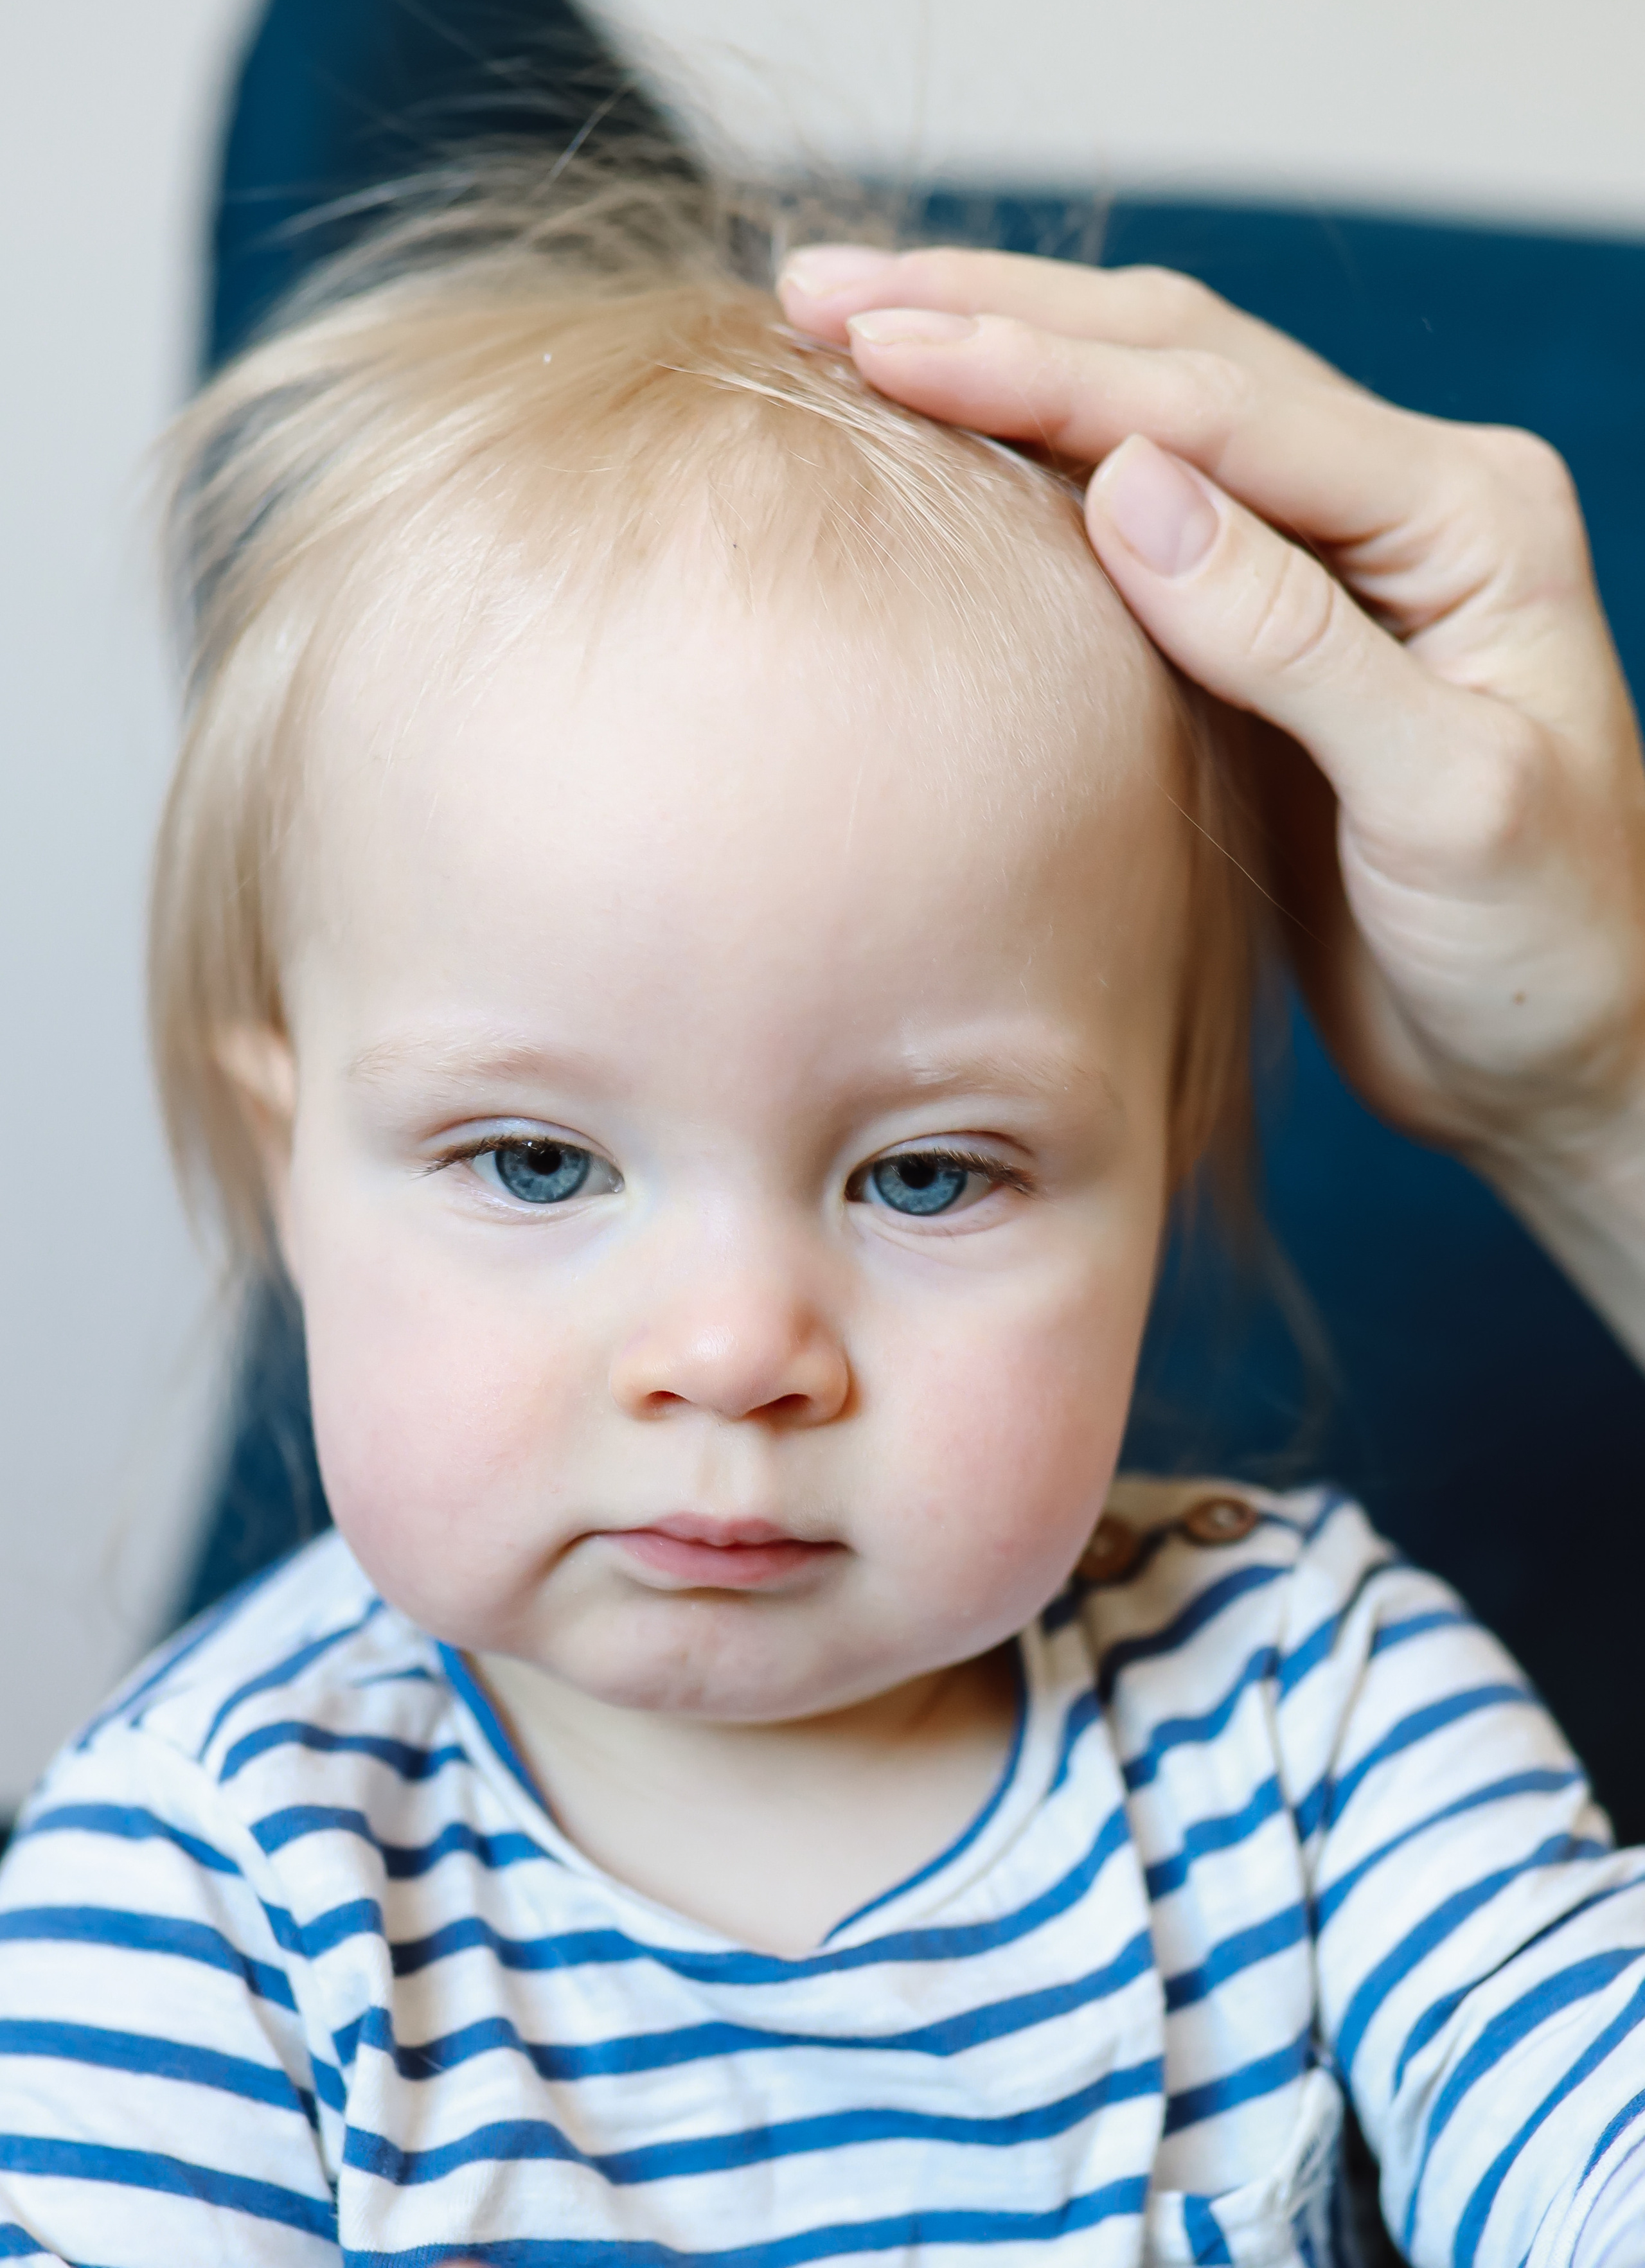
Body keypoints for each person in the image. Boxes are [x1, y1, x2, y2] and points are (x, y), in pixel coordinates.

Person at [2, 162, 1644, 2268]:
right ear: (286, 1173)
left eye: (929, 1174)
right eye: (536, 1163)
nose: (736, 1348)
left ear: (1163, 1166)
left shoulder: (1310, 1717)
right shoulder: (207, 1892)